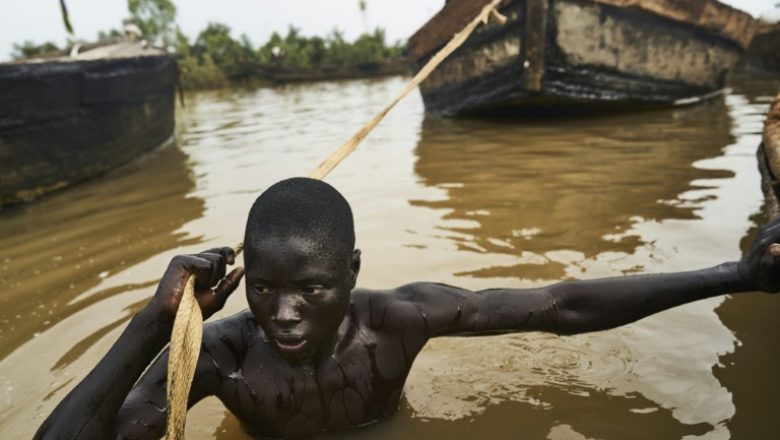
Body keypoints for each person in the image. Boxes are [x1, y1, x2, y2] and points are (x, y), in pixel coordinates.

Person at [35, 177, 780, 439]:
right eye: (265, 289)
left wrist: (735, 275)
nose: (284, 313)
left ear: (352, 273)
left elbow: (558, 305)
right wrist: (152, 325)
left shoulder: (397, 319)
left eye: (311, 290)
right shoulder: (219, 358)